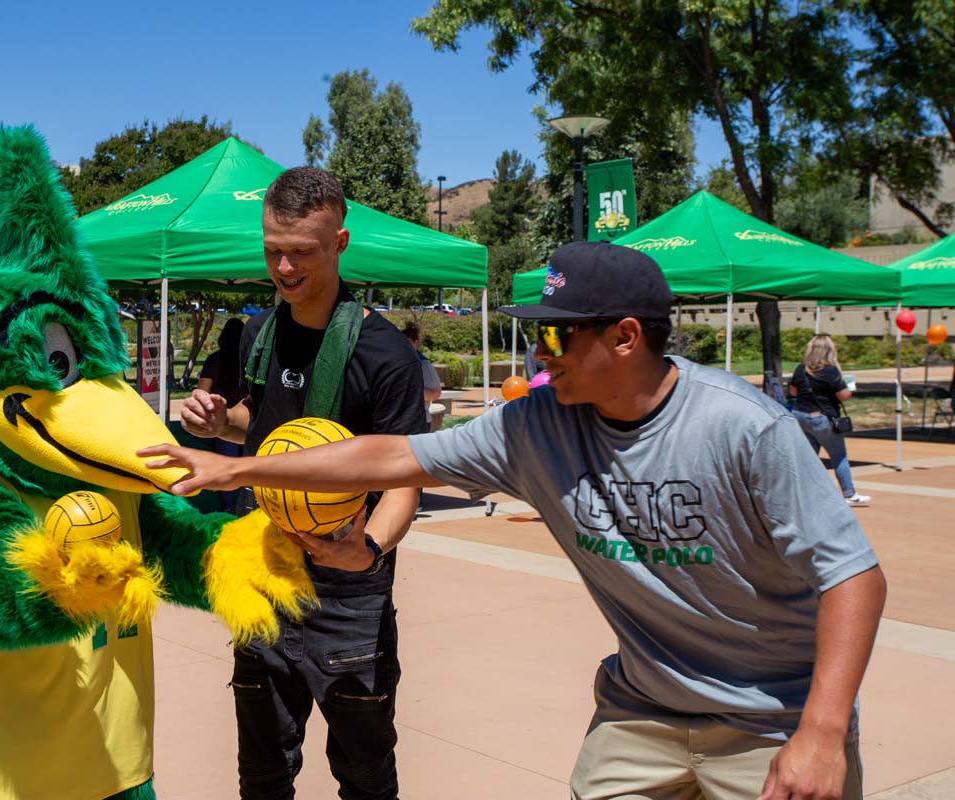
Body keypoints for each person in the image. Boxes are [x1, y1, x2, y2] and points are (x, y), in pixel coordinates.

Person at [144, 241, 887, 800]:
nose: (538, 354)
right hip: (643, 709)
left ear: (626, 338)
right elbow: (389, 457)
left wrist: (821, 732)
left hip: (774, 716)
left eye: (558, 337)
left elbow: (854, 575)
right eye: (536, 334)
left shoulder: (742, 428)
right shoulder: (534, 425)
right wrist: (239, 468)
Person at [176, 166, 426, 800]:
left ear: (340, 243)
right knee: (261, 776)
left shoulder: (383, 355)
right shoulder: (258, 334)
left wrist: (367, 548)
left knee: (365, 779)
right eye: (273, 251)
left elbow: (405, 481)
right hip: (264, 573)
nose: (284, 268)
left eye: (301, 253)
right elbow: (259, 434)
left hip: (349, 591)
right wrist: (217, 420)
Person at [789, 334, 871, 507]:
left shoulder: (800, 369)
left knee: (808, 457)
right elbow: (844, 395)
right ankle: (849, 494)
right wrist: (848, 386)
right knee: (839, 456)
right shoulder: (830, 371)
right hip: (822, 418)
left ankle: (801, 494)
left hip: (800, 416)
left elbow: (794, 392)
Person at [197, 316, 247, 512]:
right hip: (250, 419)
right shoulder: (250, 359)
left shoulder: (214, 360)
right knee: (251, 468)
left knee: (225, 468)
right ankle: (247, 508)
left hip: (223, 420)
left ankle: (228, 510)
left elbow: (202, 390)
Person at [401, 321, 442, 403]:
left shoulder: (423, 364)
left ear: (416, 343)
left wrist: (408, 392)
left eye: (407, 342)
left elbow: (435, 393)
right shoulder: (394, 362)